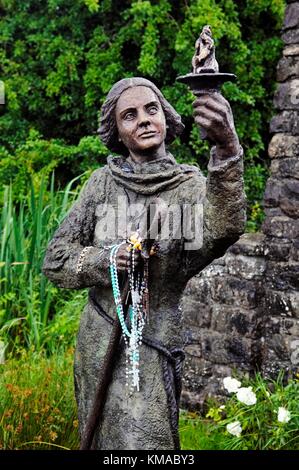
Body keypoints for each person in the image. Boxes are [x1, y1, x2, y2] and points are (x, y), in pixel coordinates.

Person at [42, 77, 246, 450]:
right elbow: (55, 259)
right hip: (99, 342)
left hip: (151, 343)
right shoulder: (102, 184)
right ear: (117, 131)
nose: (144, 120)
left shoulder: (187, 187)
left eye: (152, 109)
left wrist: (226, 149)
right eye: (130, 115)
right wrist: (107, 259)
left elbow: (224, 227)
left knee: (146, 442)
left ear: (166, 117)